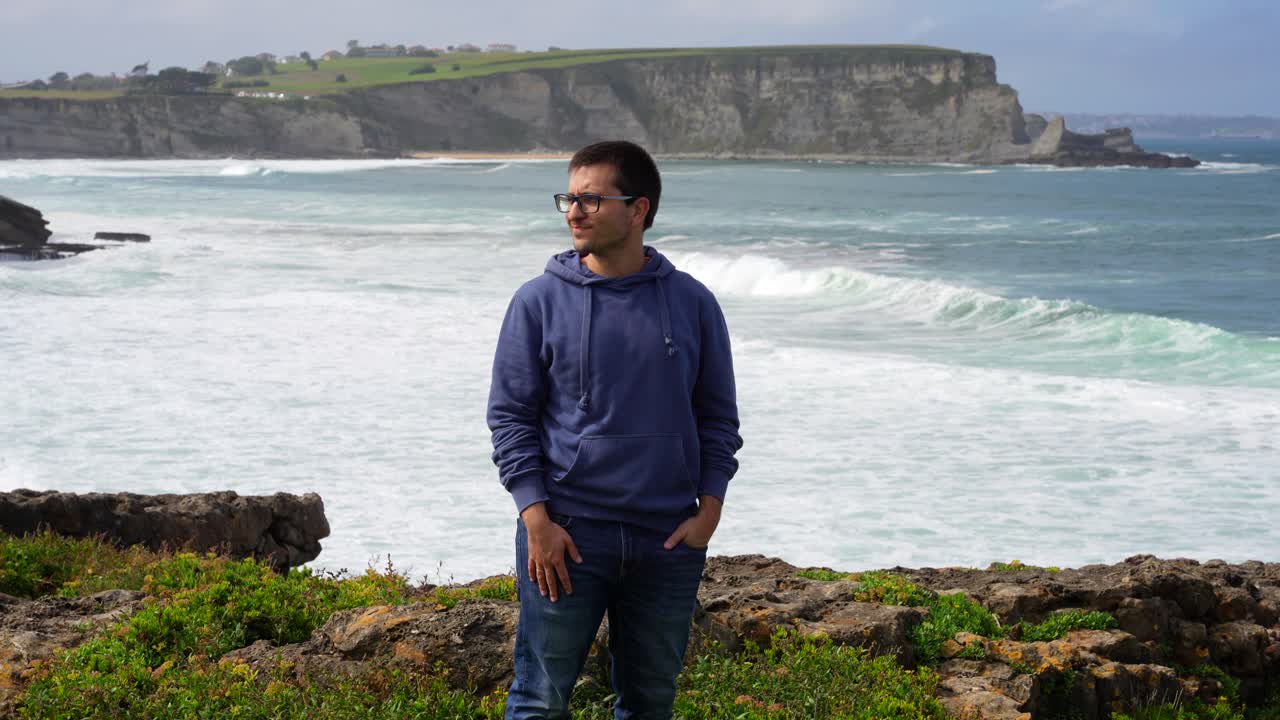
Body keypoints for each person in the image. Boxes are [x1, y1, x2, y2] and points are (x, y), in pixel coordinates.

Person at [487, 140, 743, 719]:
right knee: (539, 702)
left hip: (667, 538)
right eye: (569, 199)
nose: (574, 211)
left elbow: (718, 418)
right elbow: (510, 417)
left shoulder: (693, 303)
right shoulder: (538, 301)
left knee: (651, 703)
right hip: (569, 536)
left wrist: (710, 509)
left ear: (638, 209)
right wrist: (536, 518)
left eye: (592, 199)